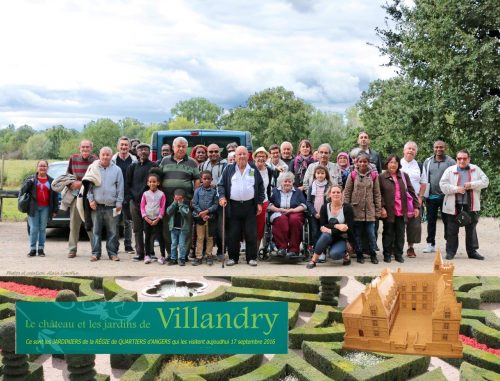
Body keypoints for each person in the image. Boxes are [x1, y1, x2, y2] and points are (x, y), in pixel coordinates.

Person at [218, 146, 265, 266]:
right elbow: (221, 185)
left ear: (248, 156)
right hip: (233, 206)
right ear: (235, 157)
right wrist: (222, 197)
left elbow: (260, 186)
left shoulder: (252, 169)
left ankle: (251, 258)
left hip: (250, 206)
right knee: (233, 233)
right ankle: (233, 258)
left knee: (251, 233)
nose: (242, 156)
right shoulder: (229, 169)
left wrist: (259, 202)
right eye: (239, 154)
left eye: (244, 154)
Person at [439, 149, 489, 260]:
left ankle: (472, 252)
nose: (462, 160)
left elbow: (486, 181)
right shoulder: (449, 170)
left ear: (469, 159)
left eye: (464, 158)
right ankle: (450, 252)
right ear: (456, 159)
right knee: (452, 230)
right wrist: (456, 189)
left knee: (471, 229)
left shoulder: (476, 169)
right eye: (459, 158)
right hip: (453, 205)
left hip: (470, 205)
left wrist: (472, 184)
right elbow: (442, 185)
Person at [159, 137, 200, 262]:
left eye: (183, 146)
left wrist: (194, 197)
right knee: (167, 228)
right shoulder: (165, 161)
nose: (181, 148)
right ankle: (171, 255)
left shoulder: (192, 162)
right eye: (178, 146)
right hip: (168, 202)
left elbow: (197, 180)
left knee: (186, 228)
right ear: (173, 147)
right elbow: (158, 178)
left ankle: (184, 255)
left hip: (186, 201)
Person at [379, 154, 419, 263]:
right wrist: (382, 207)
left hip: (402, 210)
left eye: (395, 162)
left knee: (400, 233)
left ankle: (398, 254)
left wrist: (416, 206)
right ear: (387, 164)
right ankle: (387, 254)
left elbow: (411, 191)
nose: (393, 164)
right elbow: (379, 194)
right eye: (391, 162)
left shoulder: (404, 175)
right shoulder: (381, 177)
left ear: (398, 164)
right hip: (389, 210)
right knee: (388, 233)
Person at [344, 152, 381, 264]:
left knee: (371, 233)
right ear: (357, 162)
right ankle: (359, 253)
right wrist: (346, 209)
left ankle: (373, 253)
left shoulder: (374, 175)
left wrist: (378, 210)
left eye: (365, 161)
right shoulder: (352, 175)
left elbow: (377, 194)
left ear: (368, 162)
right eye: (360, 161)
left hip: (370, 210)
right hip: (356, 210)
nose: (363, 163)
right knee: (358, 234)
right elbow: (347, 192)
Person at [87, 147, 124, 262]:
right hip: (96, 206)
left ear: (111, 156)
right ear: (99, 155)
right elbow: (88, 186)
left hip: (113, 206)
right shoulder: (93, 168)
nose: (105, 157)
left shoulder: (117, 170)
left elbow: (120, 188)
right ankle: (95, 253)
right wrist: (91, 200)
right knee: (96, 231)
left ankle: (112, 253)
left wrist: (119, 203)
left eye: (108, 155)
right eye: (103, 154)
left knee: (113, 231)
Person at [419, 140, 456, 253]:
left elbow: (455, 178)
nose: (439, 149)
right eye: (436, 147)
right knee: (431, 221)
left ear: (445, 148)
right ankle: (430, 244)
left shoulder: (451, 162)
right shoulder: (428, 161)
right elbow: (424, 179)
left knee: (447, 221)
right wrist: (423, 195)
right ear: (433, 148)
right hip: (431, 197)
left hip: (446, 197)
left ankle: (448, 243)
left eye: (441, 147)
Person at [306, 185, 355, 268]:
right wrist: (337, 225)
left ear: (342, 194)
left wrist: (331, 230)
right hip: (328, 236)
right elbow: (322, 226)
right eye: (333, 192)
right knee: (325, 235)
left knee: (334, 254)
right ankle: (314, 260)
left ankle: (346, 255)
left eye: (338, 192)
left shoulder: (347, 208)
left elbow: (348, 228)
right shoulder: (324, 207)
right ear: (329, 194)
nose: (336, 194)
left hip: (341, 238)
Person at [126, 143, 158, 262]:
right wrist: (130, 199)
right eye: (140, 150)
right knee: (137, 228)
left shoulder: (154, 166)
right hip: (134, 202)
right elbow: (127, 184)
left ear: (149, 152)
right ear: (137, 152)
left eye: (145, 149)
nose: (143, 152)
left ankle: (150, 252)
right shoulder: (132, 167)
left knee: (150, 228)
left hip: (150, 202)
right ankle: (140, 252)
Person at [66, 139, 97, 258]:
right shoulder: (73, 158)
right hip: (75, 196)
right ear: (80, 148)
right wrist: (71, 184)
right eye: (83, 147)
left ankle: (95, 250)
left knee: (90, 223)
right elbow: (67, 175)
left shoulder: (95, 160)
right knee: (74, 224)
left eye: (87, 147)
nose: (85, 149)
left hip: (89, 197)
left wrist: (82, 184)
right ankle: (72, 249)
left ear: (91, 149)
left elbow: (96, 179)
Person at [21, 160, 59, 257]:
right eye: (40, 166)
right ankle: (32, 249)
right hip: (33, 208)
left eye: (44, 166)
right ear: (37, 167)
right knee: (34, 228)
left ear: (47, 168)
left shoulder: (51, 180)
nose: (42, 168)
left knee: (42, 229)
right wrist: (29, 183)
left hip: (46, 208)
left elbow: (55, 196)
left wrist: (55, 210)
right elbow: (23, 190)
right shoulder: (31, 179)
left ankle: (41, 249)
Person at [268, 171, 307, 257]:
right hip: (278, 212)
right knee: (281, 219)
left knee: (294, 219)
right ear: (281, 182)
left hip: (294, 212)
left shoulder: (297, 191)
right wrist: (278, 209)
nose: (287, 183)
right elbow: (269, 204)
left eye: (289, 181)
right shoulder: (274, 191)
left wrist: (293, 210)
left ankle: (294, 249)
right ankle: (282, 248)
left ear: (292, 182)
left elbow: (304, 205)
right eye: (285, 181)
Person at [112, 136, 137, 254]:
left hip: (128, 197)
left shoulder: (134, 160)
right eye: (121, 145)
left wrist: (132, 195)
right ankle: (114, 246)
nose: (124, 147)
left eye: (126, 145)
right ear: (118, 146)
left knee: (128, 222)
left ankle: (128, 245)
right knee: (115, 221)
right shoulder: (113, 160)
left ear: (129, 147)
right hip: (115, 197)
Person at [400, 141, 424, 258]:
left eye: (413, 149)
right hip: (399, 199)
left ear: (415, 152)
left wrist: (420, 197)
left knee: (414, 224)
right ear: (404, 151)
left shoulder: (419, 165)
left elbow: (424, 183)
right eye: (408, 148)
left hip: (414, 199)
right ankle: (397, 247)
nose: (410, 151)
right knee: (398, 223)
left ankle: (410, 247)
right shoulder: (397, 163)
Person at [192, 171, 218, 266]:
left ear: (211, 179)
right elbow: (194, 203)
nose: (206, 180)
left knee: (210, 238)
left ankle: (209, 256)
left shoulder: (214, 192)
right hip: (200, 218)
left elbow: (215, 205)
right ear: (201, 180)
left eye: (208, 179)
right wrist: (201, 213)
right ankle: (199, 257)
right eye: (204, 179)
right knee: (200, 237)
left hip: (210, 218)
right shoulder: (197, 191)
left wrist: (207, 212)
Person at [306, 165, 331, 261]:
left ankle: (323, 252)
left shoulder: (329, 185)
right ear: (315, 174)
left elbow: (330, 201)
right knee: (315, 232)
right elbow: (308, 201)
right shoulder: (312, 185)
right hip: (314, 214)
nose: (320, 175)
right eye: (318, 173)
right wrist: (314, 212)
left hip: (325, 214)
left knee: (323, 233)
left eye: (322, 173)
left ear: (326, 174)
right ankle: (317, 252)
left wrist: (323, 213)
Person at [140, 173, 166, 264]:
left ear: (158, 183)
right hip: (147, 219)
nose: (152, 184)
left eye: (154, 182)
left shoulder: (161, 194)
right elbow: (142, 207)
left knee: (160, 237)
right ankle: (147, 255)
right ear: (147, 183)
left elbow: (162, 207)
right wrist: (145, 218)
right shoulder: (145, 194)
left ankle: (163, 256)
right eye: (150, 182)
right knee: (147, 237)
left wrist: (158, 219)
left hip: (157, 219)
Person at [253, 147, 275, 251]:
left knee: (260, 227)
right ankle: (249, 249)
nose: (261, 158)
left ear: (266, 158)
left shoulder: (269, 171)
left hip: (264, 201)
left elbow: (269, 187)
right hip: (251, 201)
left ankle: (256, 251)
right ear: (255, 158)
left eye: (263, 156)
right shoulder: (251, 170)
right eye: (258, 156)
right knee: (249, 226)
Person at [166, 189, 191, 266]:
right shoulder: (173, 205)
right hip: (173, 228)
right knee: (173, 244)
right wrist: (174, 203)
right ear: (174, 198)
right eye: (176, 199)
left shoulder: (185, 206)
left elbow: (185, 213)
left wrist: (180, 204)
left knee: (182, 244)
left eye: (179, 199)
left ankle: (182, 259)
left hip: (182, 229)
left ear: (183, 198)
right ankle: (173, 259)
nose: (178, 200)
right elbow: (168, 211)